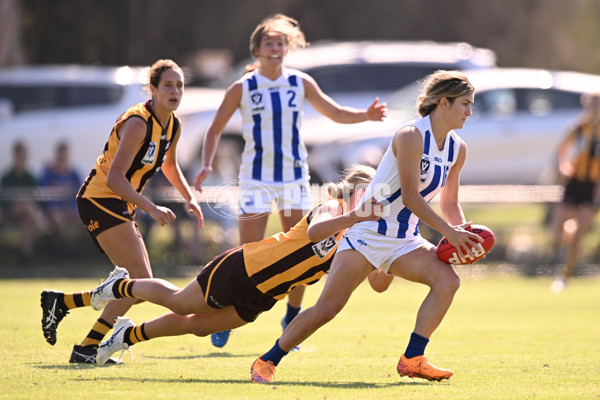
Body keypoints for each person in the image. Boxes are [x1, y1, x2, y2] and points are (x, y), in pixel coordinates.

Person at [250, 70, 484, 384]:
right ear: (443, 103)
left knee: (447, 282)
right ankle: (267, 361)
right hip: (368, 232)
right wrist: (450, 233)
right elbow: (412, 198)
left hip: (405, 239)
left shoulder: (458, 148)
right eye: (465, 104)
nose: (470, 111)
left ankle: (413, 358)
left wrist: (463, 234)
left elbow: (450, 203)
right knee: (327, 309)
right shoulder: (411, 135)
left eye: (471, 104)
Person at [40, 165, 389, 365]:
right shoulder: (334, 211)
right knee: (179, 301)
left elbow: (377, 283)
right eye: (366, 192)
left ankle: (125, 336)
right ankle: (115, 287)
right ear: (350, 192)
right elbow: (315, 232)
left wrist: (394, 254)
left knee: (199, 327)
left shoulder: (359, 237)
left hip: (264, 296)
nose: (371, 200)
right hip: (244, 268)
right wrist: (357, 216)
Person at [194, 13, 387, 348]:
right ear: (257, 48)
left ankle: (291, 317)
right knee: (247, 251)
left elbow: (335, 112)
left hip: (293, 177)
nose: (274, 47)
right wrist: (208, 164)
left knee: (301, 247)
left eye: (280, 42)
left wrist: (365, 116)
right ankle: (225, 313)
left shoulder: (300, 82)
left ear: (288, 48)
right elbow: (214, 129)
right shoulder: (242, 87)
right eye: (268, 42)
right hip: (255, 177)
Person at [40, 59, 204, 364]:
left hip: (118, 202)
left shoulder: (174, 124)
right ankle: (83, 339)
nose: (175, 91)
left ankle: (69, 316)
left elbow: (169, 164)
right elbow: (115, 178)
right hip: (99, 198)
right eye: (168, 85)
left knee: (139, 283)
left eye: (179, 85)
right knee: (141, 281)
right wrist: (152, 208)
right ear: (152, 89)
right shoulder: (138, 122)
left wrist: (189, 197)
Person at [549, 91, 600, 293]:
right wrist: (563, 169)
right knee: (556, 231)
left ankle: (565, 275)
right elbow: (560, 151)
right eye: (592, 103)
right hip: (574, 183)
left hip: (594, 186)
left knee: (578, 234)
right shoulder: (578, 127)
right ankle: (560, 252)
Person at [0, 141, 48, 262]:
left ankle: (25, 257)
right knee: (26, 204)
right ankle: (47, 230)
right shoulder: (7, 176)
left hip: (25, 214)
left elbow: (36, 198)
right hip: (8, 212)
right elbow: (4, 201)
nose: (21, 159)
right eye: (19, 156)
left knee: (29, 221)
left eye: (23, 156)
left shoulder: (30, 177)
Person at [39, 141, 81, 252]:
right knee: (58, 219)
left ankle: (73, 247)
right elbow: (44, 194)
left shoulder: (73, 173)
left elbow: (79, 193)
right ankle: (58, 248)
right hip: (54, 209)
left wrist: (71, 208)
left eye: (64, 155)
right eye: (60, 155)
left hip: (70, 208)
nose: (62, 158)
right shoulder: (49, 173)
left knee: (81, 219)